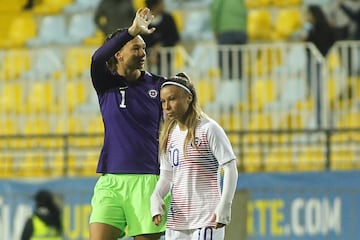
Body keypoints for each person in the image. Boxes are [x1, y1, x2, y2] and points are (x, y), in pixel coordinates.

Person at [89, 7, 169, 240]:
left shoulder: (159, 86)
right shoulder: (106, 84)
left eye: (144, 47)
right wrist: (131, 30)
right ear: (118, 54)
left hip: (148, 179)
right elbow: (97, 59)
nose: (143, 53)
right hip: (110, 179)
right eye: (136, 48)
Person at [150, 72, 238, 240]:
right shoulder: (168, 135)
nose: (167, 106)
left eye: (172, 99)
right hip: (177, 221)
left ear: (189, 98)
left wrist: (225, 205)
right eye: (163, 101)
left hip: (206, 219)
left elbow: (230, 167)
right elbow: (167, 176)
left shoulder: (208, 129)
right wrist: (156, 196)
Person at [210, 0, 247, 80]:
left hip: (226, 32)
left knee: (225, 64)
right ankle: (237, 86)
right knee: (238, 65)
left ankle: (228, 87)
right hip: (241, 32)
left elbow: (215, 11)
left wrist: (215, 29)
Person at [141, 0, 180, 75]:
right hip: (147, 63)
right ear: (155, 5)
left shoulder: (168, 18)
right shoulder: (143, 20)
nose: (164, 5)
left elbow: (175, 37)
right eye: (161, 3)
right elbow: (141, 39)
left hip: (166, 61)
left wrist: (160, 46)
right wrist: (149, 53)